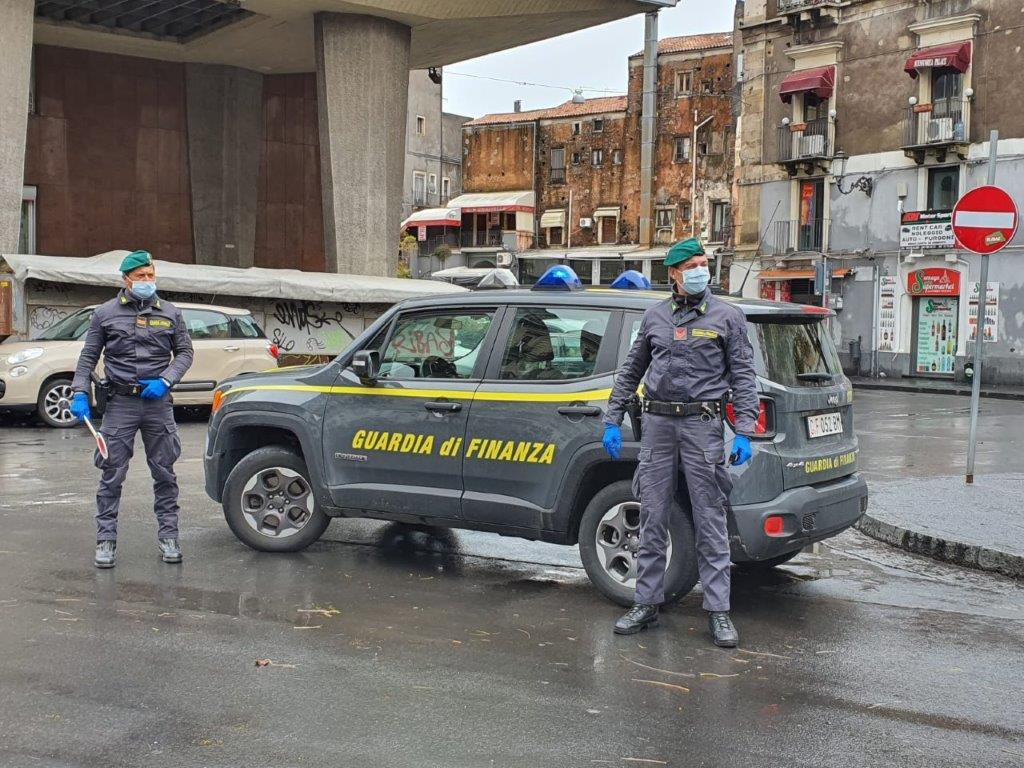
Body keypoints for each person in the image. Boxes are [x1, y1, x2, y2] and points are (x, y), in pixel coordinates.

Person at [601, 238, 758, 647]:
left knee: (709, 517)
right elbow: (631, 371)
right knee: (653, 516)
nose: (700, 270)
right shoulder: (654, 317)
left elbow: (744, 377)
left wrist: (744, 430)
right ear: (673, 274)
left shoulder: (728, 317)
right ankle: (646, 603)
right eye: (691, 266)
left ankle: (718, 611)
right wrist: (612, 418)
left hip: (702, 426)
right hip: (657, 425)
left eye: (703, 263)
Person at [69, 251, 194, 569]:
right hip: (121, 404)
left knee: (164, 473)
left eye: (151, 275)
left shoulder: (170, 312)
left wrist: (166, 380)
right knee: (112, 474)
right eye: (141, 276)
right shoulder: (105, 314)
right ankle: (105, 540)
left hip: (157, 403)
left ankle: (169, 537)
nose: (147, 281)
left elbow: (185, 353)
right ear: (126, 279)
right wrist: (79, 392)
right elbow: (88, 357)